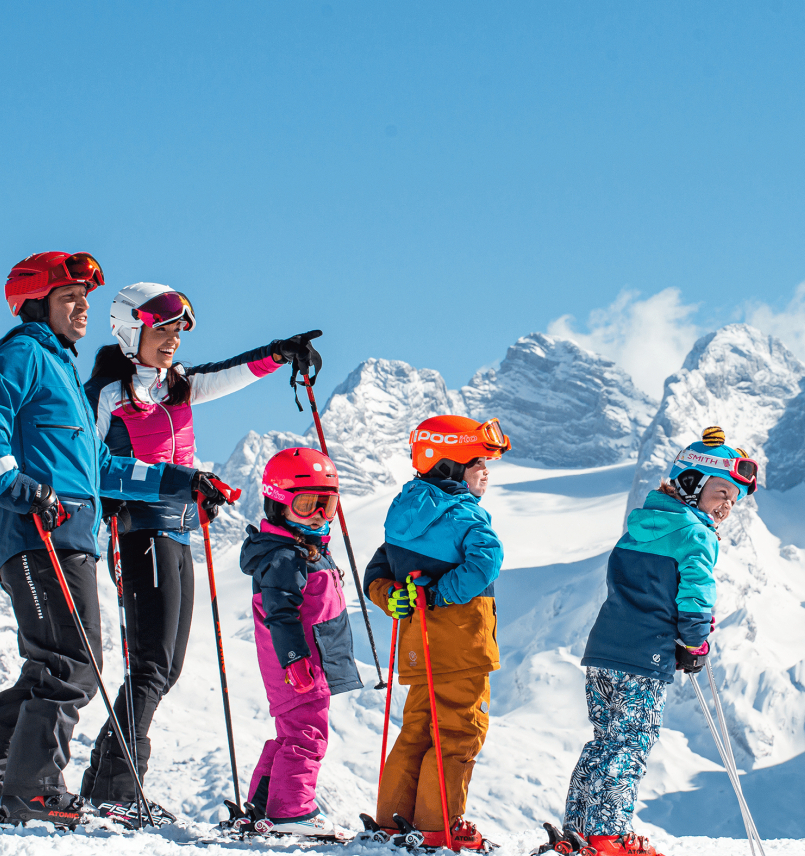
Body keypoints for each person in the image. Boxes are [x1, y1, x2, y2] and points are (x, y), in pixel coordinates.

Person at [0, 252, 235, 828]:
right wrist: (18, 486)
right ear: (37, 304)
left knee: (50, 668)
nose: (83, 309)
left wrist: (179, 481)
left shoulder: (61, 370)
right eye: (69, 298)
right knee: (72, 665)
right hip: (37, 532)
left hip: (71, 534)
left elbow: (104, 467)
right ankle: (33, 790)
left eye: (84, 298)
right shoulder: (25, 352)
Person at [76, 282, 322, 821]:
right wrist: (179, 480)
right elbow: (92, 469)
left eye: (177, 331)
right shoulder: (107, 394)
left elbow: (229, 374)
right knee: (151, 665)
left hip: (181, 532)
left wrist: (281, 353)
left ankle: (104, 782)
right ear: (128, 331)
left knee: (166, 668)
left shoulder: (178, 385)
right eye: (160, 330)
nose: (171, 341)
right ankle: (116, 791)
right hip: (139, 530)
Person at [549, 427, 760, 856]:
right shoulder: (695, 535)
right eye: (721, 492)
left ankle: (581, 831)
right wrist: (695, 644)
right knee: (630, 745)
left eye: (733, 501)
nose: (726, 506)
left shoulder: (641, 524)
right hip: (643, 659)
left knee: (605, 741)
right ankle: (609, 836)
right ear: (690, 483)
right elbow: (696, 596)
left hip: (604, 654)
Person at [361, 415, 511, 851]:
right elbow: (488, 560)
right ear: (448, 466)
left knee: (418, 730)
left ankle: (395, 821)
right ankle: (436, 827)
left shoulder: (403, 512)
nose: (486, 470)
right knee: (459, 733)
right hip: (462, 645)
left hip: (416, 645)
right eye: (477, 461)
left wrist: (394, 597)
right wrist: (443, 593)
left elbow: (378, 571)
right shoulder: (464, 515)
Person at [234, 447, 365, 836]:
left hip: (306, 663)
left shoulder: (300, 550)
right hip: (300, 666)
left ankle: (262, 805)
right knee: (308, 737)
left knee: (291, 735)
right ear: (278, 504)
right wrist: (295, 660)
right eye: (308, 505)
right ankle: (293, 812)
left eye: (328, 505)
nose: (321, 516)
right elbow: (281, 614)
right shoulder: (285, 557)